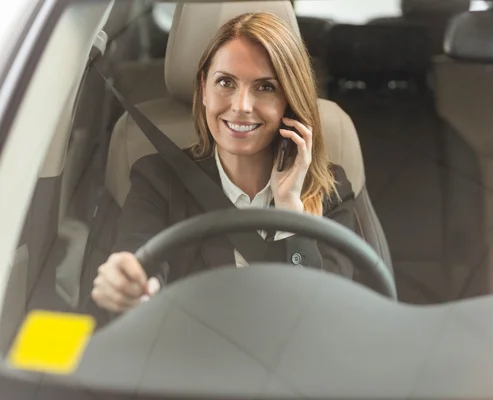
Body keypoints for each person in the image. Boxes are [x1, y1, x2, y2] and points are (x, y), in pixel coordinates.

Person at [91, 12, 358, 313]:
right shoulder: (159, 178)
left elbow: (330, 315)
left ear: (289, 99)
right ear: (204, 88)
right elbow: (139, 255)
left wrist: (292, 214)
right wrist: (129, 282)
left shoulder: (329, 189)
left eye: (265, 87)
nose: (241, 106)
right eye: (226, 82)